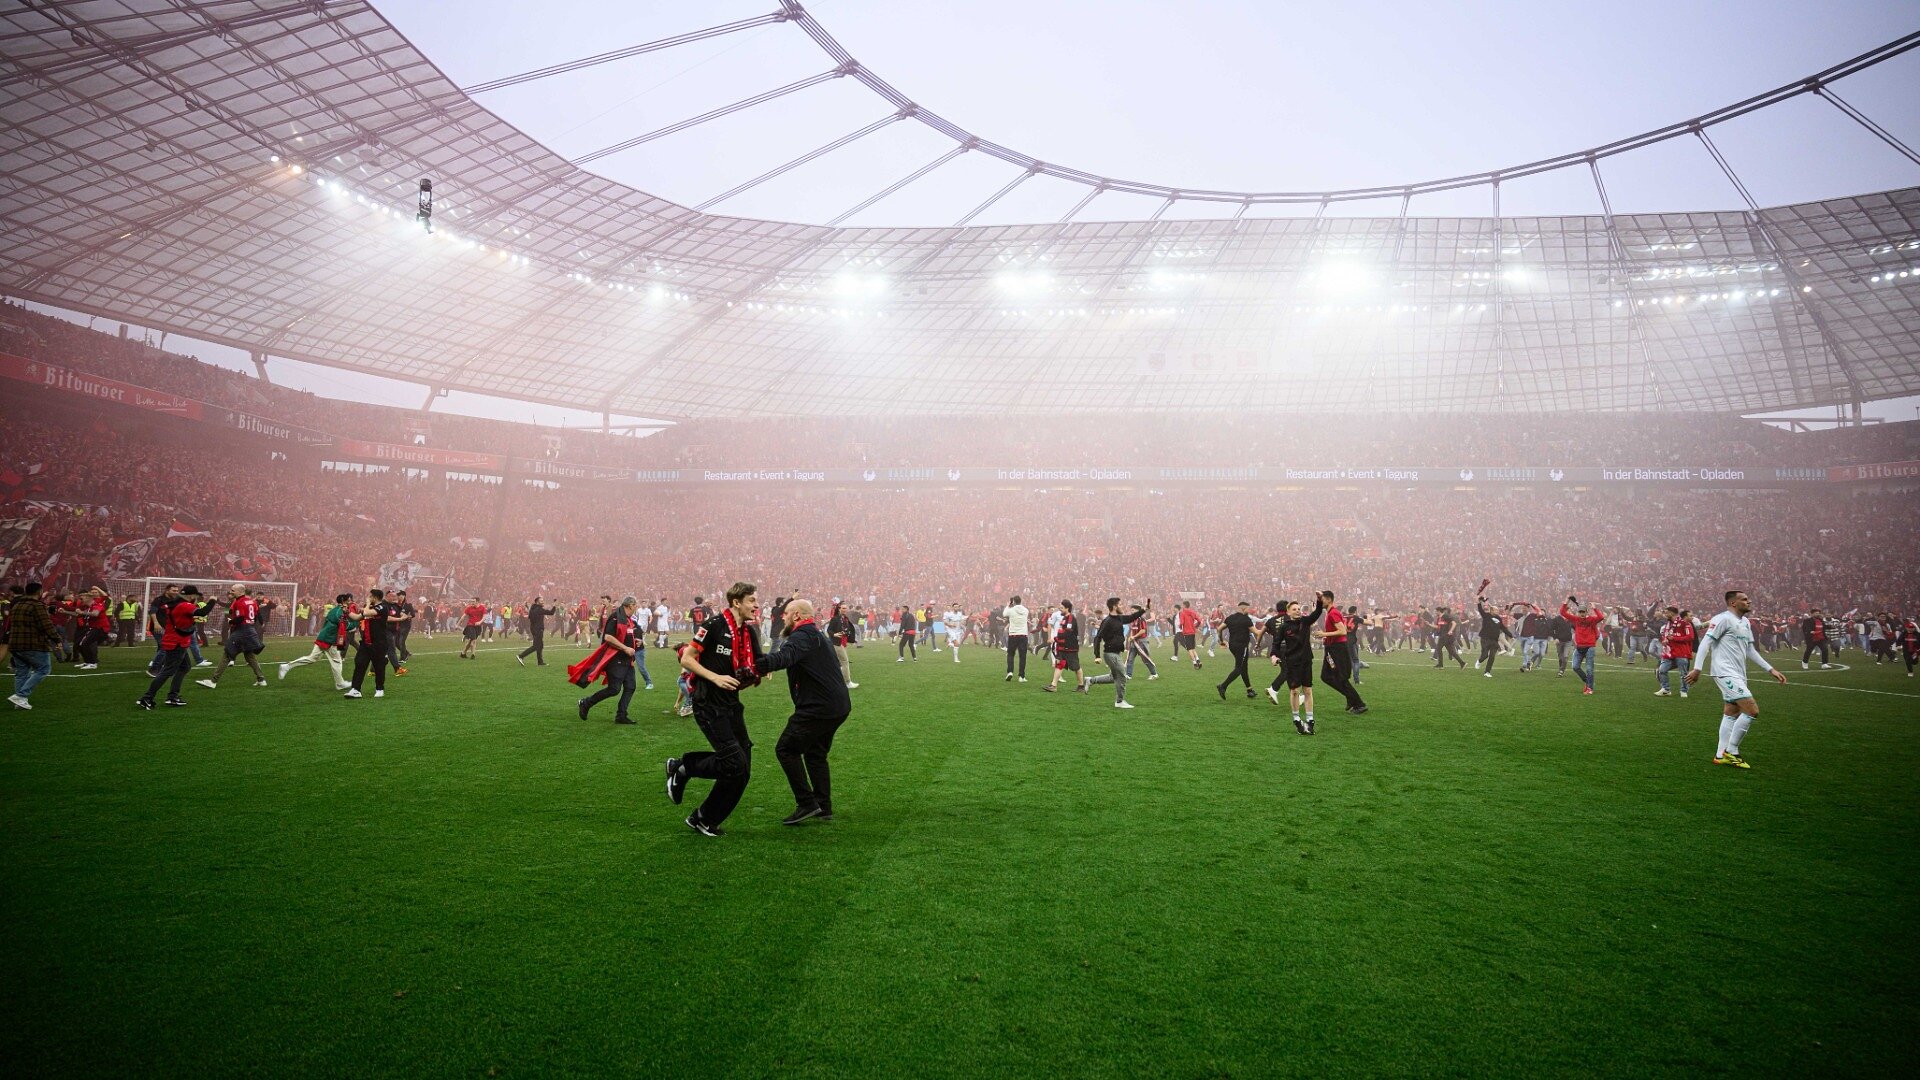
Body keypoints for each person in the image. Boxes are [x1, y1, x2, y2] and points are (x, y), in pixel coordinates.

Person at [665, 581, 765, 837]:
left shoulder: (749, 632)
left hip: (731, 704)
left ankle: (703, 819)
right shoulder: (714, 625)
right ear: (737, 602)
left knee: (742, 770)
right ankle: (682, 767)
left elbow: (759, 663)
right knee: (734, 761)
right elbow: (687, 658)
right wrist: (715, 677)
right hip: (708, 702)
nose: (756, 605)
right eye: (752, 600)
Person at [757, 599, 853, 824]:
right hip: (837, 705)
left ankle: (807, 803)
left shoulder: (802, 636)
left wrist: (758, 665)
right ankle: (823, 806)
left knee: (785, 749)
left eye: (786, 613)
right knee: (815, 754)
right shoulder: (816, 634)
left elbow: (786, 656)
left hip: (818, 707)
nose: (783, 617)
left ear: (797, 615)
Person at [1687, 590, 1788, 769]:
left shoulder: (1745, 622)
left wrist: (1770, 669)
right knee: (1751, 710)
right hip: (1724, 671)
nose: (1749, 602)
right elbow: (1706, 643)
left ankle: (1720, 755)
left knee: (1732, 712)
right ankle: (1731, 751)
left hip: (1738, 673)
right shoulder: (1722, 619)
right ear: (1733, 603)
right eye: (1744, 599)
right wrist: (1697, 668)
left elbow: (1750, 650)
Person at [570, 595, 643, 724]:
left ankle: (621, 715)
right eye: (635, 605)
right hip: (616, 659)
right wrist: (625, 648)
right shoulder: (615, 617)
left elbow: (630, 633)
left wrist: (636, 641)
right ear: (630, 605)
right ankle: (586, 703)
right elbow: (608, 637)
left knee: (630, 687)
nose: (636, 607)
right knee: (614, 689)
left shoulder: (628, 619)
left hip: (627, 660)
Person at [138, 586, 212, 710]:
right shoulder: (184, 605)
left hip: (176, 641)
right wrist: (213, 601)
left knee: (184, 667)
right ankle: (147, 698)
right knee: (168, 670)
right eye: (195, 596)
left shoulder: (175, 603)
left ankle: (172, 696)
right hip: (176, 642)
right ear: (191, 596)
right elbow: (202, 612)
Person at [1265, 595, 1325, 734]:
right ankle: (1297, 719)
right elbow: (1276, 644)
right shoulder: (1284, 627)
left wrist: (1319, 600)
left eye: (1299, 609)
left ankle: (1310, 721)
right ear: (1288, 612)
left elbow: (1317, 613)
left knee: (1308, 690)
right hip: (1292, 661)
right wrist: (1273, 656)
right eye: (1294, 609)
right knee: (1295, 691)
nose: (1298, 611)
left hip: (1306, 660)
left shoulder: (1305, 621)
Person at [196, 584, 268, 689]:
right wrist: (256, 624)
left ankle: (213, 681)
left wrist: (231, 621)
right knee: (249, 656)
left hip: (241, 631)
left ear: (240, 591)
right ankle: (261, 680)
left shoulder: (239, 602)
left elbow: (240, 618)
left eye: (233, 590)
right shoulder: (252, 602)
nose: (231, 592)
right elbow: (257, 616)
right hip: (250, 630)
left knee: (227, 654)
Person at [1085, 597, 1150, 709]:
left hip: (1116, 653)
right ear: (1114, 606)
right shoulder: (1107, 621)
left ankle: (1090, 680)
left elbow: (1131, 617)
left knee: (1113, 677)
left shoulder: (1119, 618)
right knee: (1122, 677)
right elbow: (1097, 638)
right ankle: (1119, 701)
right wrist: (1097, 656)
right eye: (1120, 604)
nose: (1122, 606)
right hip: (1110, 654)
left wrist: (1144, 609)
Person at [280, 593, 354, 689]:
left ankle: (287, 666)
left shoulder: (337, 610)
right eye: (348, 600)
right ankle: (340, 683)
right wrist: (355, 623)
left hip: (324, 637)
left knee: (312, 658)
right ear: (343, 601)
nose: (350, 602)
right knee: (337, 661)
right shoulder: (339, 612)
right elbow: (345, 625)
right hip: (329, 639)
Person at [7, 581, 57, 711]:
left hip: (15, 644)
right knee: (44, 669)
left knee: (21, 673)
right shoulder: (37, 605)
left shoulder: (17, 605)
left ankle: (20, 702)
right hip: (33, 644)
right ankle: (21, 695)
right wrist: (57, 639)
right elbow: (46, 625)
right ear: (39, 592)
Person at [1317, 591, 1368, 713]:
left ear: (1329, 600)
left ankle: (1359, 704)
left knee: (1340, 677)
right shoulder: (1330, 612)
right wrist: (1326, 637)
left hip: (1337, 650)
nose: (1320, 602)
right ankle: (1350, 697)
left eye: (1322, 599)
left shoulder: (1333, 613)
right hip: (1331, 649)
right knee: (1326, 676)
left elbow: (1342, 631)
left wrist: (1324, 634)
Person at [345, 588, 401, 699]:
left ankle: (379, 689)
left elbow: (366, 613)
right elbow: (357, 617)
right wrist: (347, 612)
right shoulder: (370, 608)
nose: (368, 598)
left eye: (370, 596)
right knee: (360, 664)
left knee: (379, 666)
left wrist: (367, 604)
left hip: (379, 643)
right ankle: (356, 689)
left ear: (374, 597)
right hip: (365, 642)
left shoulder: (382, 607)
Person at [1560, 596, 1606, 695]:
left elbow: (1601, 617)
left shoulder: (1591, 620)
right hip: (1579, 647)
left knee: (1589, 669)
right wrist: (1566, 601)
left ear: (1586, 612)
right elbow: (1562, 612)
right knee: (1575, 667)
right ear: (1578, 612)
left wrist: (1594, 608)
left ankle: (1590, 688)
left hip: (1589, 647)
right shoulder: (1576, 619)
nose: (1581, 613)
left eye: (1583, 612)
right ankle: (1588, 682)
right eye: (1580, 612)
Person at [1215, 600, 1256, 700]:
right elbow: (1257, 632)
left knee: (1243, 667)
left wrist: (1221, 640)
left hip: (1232, 646)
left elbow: (1219, 629)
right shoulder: (1246, 619)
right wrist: (1267, 629)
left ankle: (1249, 690)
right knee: (1239, 668)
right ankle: (1223, 686)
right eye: (1248, 609)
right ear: (1243, 608)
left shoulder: (1230, 618)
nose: (1249, 611)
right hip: (1242, 646)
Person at [1654, 605, 1696, 698]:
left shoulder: (1684, 623)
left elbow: (1690, 637)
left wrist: (1675, 638)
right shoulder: (1667, 624)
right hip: (1669, 652)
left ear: (1671, 613)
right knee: (1662, 670)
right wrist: (1664, 641)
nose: (1664, 615)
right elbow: (1666, 636)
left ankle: (1684, 691)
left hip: (1681, 652)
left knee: (1683, 673)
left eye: (1666, 613)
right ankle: (1666, 689)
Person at [1474, 597, 1511, 678]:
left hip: (1494, 640)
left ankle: (1487, 672)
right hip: (1485, 639)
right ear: (1491, 610)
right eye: (1496, 610)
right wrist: (1479, 602)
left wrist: (1510, 635)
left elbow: (1503, 627)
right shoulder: (1486, 615)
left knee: (1492, 656)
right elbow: (1480, 610)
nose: (1497, 611)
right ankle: (1479, 661)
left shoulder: (1498, 618)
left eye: (1497, 610)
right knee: (1485, 655)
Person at [827, 598, 859, 689]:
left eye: (846, 608)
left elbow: (847, 630)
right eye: (843, 608)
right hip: (836, 643)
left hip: (843, 643)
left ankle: (834, 679)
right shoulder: (835, 619)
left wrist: (852, 639)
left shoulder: (845, 618)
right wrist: (835, 634)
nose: (845, 610)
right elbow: (829, 630)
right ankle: (847, 682)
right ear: (839, 609)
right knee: (845, 662)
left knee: (839, 663)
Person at [1123, 607, 1159, 681]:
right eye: (1131, 610)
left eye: (1133, 610)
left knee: (1145, 659)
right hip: (1134, 642)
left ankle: (1154, 674)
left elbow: (1143, 631)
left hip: (1141, 642)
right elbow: (1132, 630)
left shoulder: (1141, 619)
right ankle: (1128, 675)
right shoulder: (1133, 619)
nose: (1131, 611)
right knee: (1130, 659)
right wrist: (1130, 637)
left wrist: (1134, 637)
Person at [518, 597, 556, 666]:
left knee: (540, 645)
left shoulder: (533, 608)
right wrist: (554, 606)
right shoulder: (539, 609)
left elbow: (530, 617)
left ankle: (540, 662)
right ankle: (521, 656)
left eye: (543, 600)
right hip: (538, 629)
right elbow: (551, 613)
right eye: (541, 601)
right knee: (536, 646)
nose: (543, 602)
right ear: (537, 602)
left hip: (534, 628)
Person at [1003, 594, 1031, 682]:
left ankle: (1010, 671)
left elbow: (1004, 614)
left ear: (1013, 602)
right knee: (1022, 656)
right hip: (1023, 635)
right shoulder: (1026, 610)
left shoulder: (1011, 610)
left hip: (1013, 634)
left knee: (1010, 654)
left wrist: (1008, 605)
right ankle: (1021, 676)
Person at [1173, 601, 1203, 669]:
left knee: (1189, 649)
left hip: (1187, 633)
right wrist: (1195, 626)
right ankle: (1198, 660)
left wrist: (1180, 627)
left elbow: (1181, 623)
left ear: (1184, 605)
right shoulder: (1193, 612)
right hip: (1192, 632)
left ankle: (1194, 663)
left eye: (1182, 605)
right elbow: (1199, 621)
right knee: (1193, 648)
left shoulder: (1182, 613)